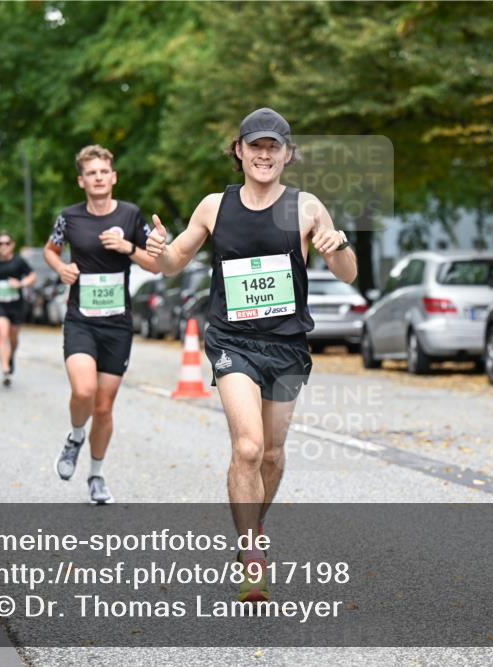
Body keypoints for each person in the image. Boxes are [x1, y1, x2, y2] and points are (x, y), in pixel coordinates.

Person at [145, 108, 357, 602]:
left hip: (285, 346)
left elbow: (346, 273)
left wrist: (337, 243)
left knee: (273, 453)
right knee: (247, 447)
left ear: (287, 155)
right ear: (238, 151)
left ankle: (253, 527)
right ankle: (252, 552)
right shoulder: (214, 207)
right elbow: (174, 261)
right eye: (255, 146)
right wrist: (159, 251)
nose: (264, 154)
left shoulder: (305, 208)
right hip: (232, 342)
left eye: (274, 147)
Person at [44, 144, 159, 505]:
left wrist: (127, 248)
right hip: (81, 320)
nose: (97, 178)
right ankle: (76, 436)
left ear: (113, 177)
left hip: (117, 325)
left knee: (104, 408)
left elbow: (154, 265)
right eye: (90, 173)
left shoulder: (129, 215)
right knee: (83, 392)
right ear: (82, 181)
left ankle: (96, 475)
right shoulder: (69, 217)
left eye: (103, 172)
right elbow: (51, 249)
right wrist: (60, 268)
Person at [0, 232, 35, 386]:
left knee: (13, 338)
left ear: (12, 245)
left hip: (16, 305)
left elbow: (32, 276)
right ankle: (5, 369)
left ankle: (11, 356)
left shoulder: (19, 261)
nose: (3, 246)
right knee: (2, 334)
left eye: (6, 243)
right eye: (0, 244)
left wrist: (21, 283)